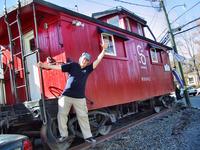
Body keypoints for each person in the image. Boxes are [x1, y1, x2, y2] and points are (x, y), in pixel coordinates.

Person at [38, 43, 108, 144]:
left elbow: (98, 60)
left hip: (80, 98)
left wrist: (104, 50)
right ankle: (63, 135)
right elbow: (59, 68)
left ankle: (88, 137)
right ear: (80, 59)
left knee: (83, 116)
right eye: (84, 59)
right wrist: (44, 65)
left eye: (87, 60)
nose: (85, 61)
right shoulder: (73, 65)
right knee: (61, 115)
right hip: (66, 96)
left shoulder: (87, 69)